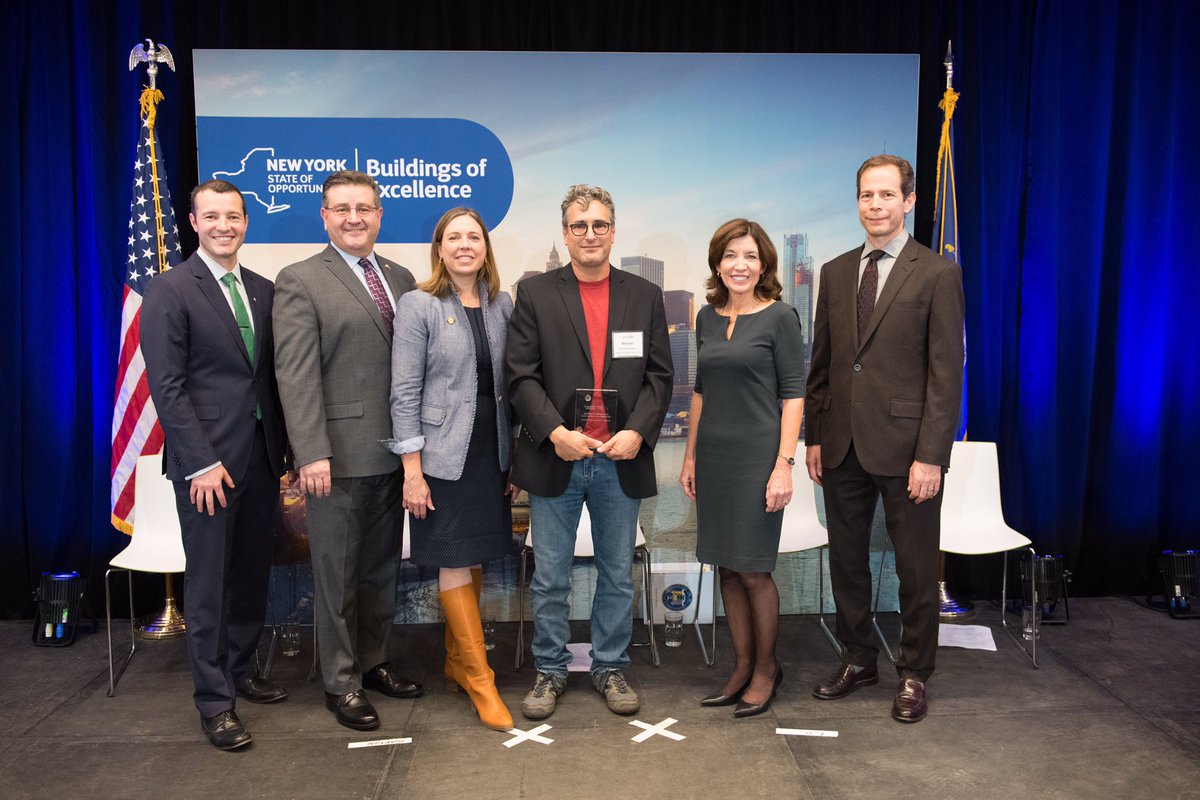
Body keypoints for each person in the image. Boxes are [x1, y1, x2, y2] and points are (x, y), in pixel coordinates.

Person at [805, 154, 965, 723]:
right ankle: (858, 658)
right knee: (846, 562)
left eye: (887, 195)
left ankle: (915, 672)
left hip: (908, 450)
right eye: (866, 195)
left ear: (909, 200)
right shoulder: (835, 271)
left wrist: (932, 456)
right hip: (841, 443)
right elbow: (823, 363)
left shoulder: (937, 273)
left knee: (916, 569)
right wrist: (815, 436)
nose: (875, 205)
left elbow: (946, 374)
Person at [505, 184, 672, 720]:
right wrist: (555, 432)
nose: (590, 234)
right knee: (550, 577)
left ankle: (610, 667)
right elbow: (520, 376)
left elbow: (660, 377)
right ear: (566, 233)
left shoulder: (644, 295)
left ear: (613, 231)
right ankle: (550, 670)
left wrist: (638, 432)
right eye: (579, 226)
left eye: (600, 224)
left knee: (617, 574)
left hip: (620, 458)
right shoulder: (535, 293)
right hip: (557, 456)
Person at [141, 180, 289, 750]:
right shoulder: (170, 289)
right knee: (208, 584)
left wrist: (286, 453)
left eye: (234, 216)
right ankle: (214, 701)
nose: (224, 226)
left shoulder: (263, 290)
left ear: (246, 222)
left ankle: (241, 668)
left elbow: (268, 379)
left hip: (261, 457)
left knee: (252, 573)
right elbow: (167, 386)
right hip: (208, 467)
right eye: (212, 216)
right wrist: (200, 463)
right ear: (193, 222)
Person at [273, 170, 422, 732]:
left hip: (395, 452)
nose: (354, 218)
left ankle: (373, 661)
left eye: (364, 208)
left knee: (381, 571)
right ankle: (341, 682)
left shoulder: (402, 277)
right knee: (336, 576)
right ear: (324, 216)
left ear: (380, 215)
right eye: (342, 209)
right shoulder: (300, 279)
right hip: (334, 458)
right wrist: (311, 451)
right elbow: (296, 374)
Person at [386, 207, 516, 731]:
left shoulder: (502, 304)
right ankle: (482, 680)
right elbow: (404, 391)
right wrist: (411, 470)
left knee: (474, 554)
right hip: (441, 457)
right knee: (454, 559)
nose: (465, 245)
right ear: (439, 248)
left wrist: (516, 455)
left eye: (474, 237)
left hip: (491, 452)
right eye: (454, 237)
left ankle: (457, 663)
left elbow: (512, 384)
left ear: (486, 247)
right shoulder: (418, 304)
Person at [679, 219, 805, 718]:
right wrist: (690, 457)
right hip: (714, 458)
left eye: (750, 256)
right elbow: (700, 392)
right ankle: (742, 667)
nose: (740, 265)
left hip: (758, 458)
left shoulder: (780, 317)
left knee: (753, 570)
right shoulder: (706, 318)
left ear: (764, 264)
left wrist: (784, 466)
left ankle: (768, 670)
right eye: (731, 255)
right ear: (717, 263)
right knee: (727, 568)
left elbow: (794, 395)